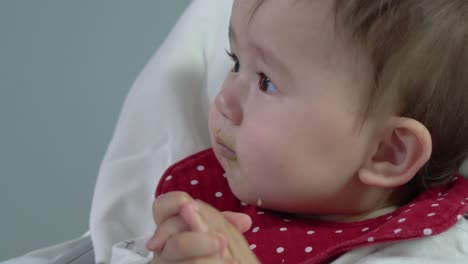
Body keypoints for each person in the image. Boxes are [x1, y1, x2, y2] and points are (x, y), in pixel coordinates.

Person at [145, 0, 468, 263]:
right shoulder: (220, 197)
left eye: (266, 82)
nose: (224, 99)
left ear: (386, 152)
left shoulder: (426, 253)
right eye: (235, 63)